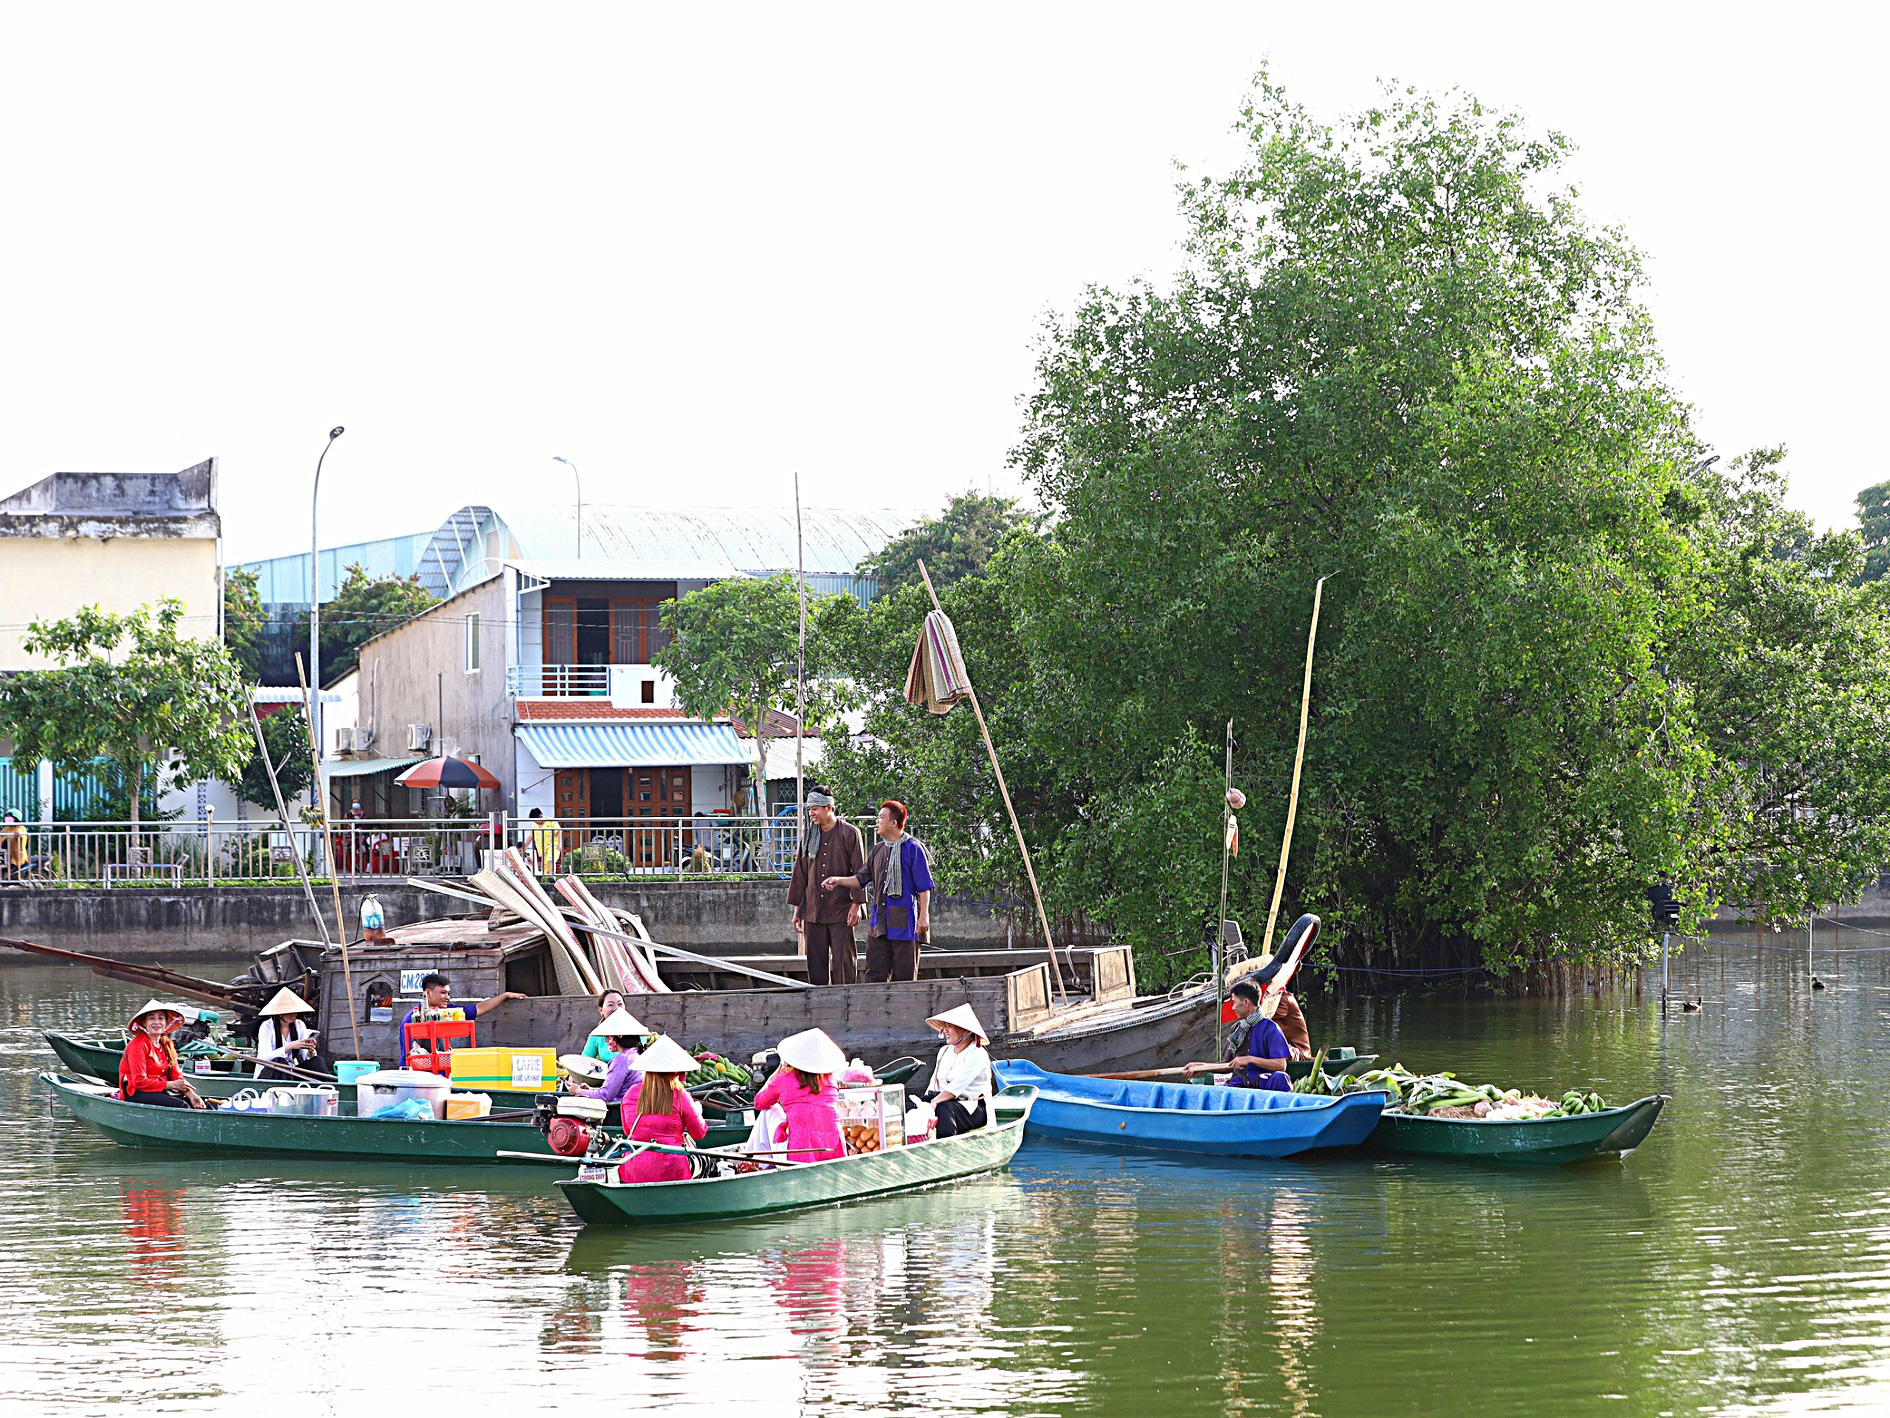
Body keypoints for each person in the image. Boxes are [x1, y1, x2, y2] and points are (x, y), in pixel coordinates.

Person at [823, 799, 934, 983]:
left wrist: (924, 917)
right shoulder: (878, 850)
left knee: (904, 980)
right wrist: (838, 880)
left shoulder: (913, 849)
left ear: (893, 823)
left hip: (905, 926)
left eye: (881, 817)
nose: (877, 821)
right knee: (873, 976)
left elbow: (924, 887)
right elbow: (861, 878)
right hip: (879, 926)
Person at [785, 786, 865, 986]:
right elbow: (800, 874)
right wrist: (797, 911)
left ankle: (846, 1006)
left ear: (829, 808)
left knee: (844, 964)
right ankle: (819, 1008)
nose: (811, 813)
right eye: (809, 809)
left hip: (841, 911)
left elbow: (860, 872)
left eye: (815, 809)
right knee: (816, 966)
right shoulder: (809, 837)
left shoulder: (850, 833)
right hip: (813, 911)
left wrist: (857, 906)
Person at [616, 1035, 710, 1184]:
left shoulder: (630, 1094)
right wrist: (698, 1111)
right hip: (672, 1170)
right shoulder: (680, 1095)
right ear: (676, 1071)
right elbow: (699, 1133)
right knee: (705, 1163)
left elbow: (628, 1131)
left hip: (634, 1169)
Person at [752, 1028, 846, 1161]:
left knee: (768, 1111)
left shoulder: (784, 1079)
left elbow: (759, 1102)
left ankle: (760, 1161)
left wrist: (778, 1072)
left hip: (801, 1151)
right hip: (834, 1148)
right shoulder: (831, 1079)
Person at [1183, 980, 1291, 1090]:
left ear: (1246, 1002)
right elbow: (1227, 1064)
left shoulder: (1271, 1029)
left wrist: (1250, 1059)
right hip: (1239, 1085)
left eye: (1234, 1002)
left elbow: (1281, 1065)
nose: (1233, 1008)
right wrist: (1200, 1066)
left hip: (1263, 1085)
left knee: (1281, 1077)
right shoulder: (1236, 1029)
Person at [399, 972, 526, 1062]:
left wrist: (505, 995)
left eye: (448, 993)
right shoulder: (414, 1017)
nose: (447, 997)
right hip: (418, 1073)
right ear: (427, 993)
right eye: (443, 993)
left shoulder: (449, 1012)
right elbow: (411, 1054)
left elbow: (478, 1009)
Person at [118, 1000, 206, 1109]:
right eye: (151, 1018)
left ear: (166, 1023)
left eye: (161, 1018)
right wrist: (171, 1085)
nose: (157, 1022)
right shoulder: (138, 1045)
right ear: (144, 1023)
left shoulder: (167, 1044)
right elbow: (139, 1082)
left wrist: (191, 1094)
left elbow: (176, 1075)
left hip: (161, 1089)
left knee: (202, 1104)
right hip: (136, 1092)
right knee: (182, 1106)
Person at [921, 1004, 992, 1137]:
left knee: (943, 1108)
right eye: (944, 1026)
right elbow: (934, 1082)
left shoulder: (977, 1053)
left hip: (973, 1107)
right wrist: (925, 1103)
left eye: (949, 1026)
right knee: (921, 1103)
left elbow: (955, 1088)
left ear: (965, 1030)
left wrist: (934, 1102)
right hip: (947, 1100)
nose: (945, 1031)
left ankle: (945, 1145)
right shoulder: (944, 1051)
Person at [580, 1007, 649, 1105]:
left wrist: (579, 1091)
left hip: (620, 1110)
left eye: (608, 1037)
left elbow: (606, 1095)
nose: (606, 1041)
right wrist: (590, 1090)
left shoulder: (622, 1060)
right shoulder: (635, 1054)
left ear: (618, 1036)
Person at [254, 987, 320, 1079]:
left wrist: (311, 1050)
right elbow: (265, 1058)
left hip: (292, 1072)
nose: (293, 1015)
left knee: (317, 1060)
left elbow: (306, 1058)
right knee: (280, 1062)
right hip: (269, 1073)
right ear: (279, 1012)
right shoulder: (267, 1026)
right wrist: (290, 1046)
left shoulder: (299, 1025)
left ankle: (328, 1088)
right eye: (289, 1012)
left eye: (295, 1011)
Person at [580, 989, 628, 1062]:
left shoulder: (637, 1031)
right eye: (611, 1005)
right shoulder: (597, 1035)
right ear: (601, 1010)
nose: (616, 1008)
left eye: (620, 1004)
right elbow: (585, 1061)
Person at [527, 807, 562, 873]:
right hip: (542, 849)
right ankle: (547, 879)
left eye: (536, 820)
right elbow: (531, 836)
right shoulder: (535, 825)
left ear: (541, 816)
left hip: (553, 845)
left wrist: (559, 844)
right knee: (545, 867)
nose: (536, 823)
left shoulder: (551, 821)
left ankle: (552, 876)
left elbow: (558, 831)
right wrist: (524, 847)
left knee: (551, 859)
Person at [1, 810, 27, 879]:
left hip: (16, 858)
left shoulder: (20, 827)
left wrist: (18, 834)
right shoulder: (6, 828)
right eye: (6, 816)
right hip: (5, 856)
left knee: (4, 876)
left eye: (9, 816)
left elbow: (20, 833)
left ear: (16, 818)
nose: (7, 818)